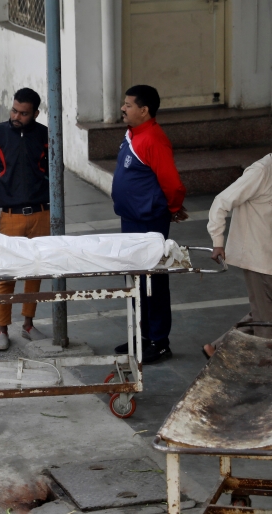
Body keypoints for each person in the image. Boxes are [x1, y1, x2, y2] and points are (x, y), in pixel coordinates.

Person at [202, 123, 272, 358]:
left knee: (263, 311)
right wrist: (218, 241)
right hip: (259, 259)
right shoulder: (261, 172)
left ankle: (218, 349)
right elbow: (221, 202)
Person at [110, 85, 188, 364]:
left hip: (148, 222)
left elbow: (173, 184)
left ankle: (159, 340)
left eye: (128, 105)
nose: (123, 108)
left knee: (152, 280)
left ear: (144, 110)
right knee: (135, 279)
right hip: (131, 219)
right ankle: (142, 336)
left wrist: (173, 209)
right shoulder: (132, 134)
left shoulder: (153, 139)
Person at [0, 87, 50, 351]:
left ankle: (28, 324)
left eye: (23, 113)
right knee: (7, 273)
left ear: (35, 114)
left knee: (35, 270)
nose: (16, 116)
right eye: (14, 110)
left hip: (41, 213)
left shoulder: (45, 135)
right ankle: (2, 329)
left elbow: (54, 170)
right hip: (10, 215)